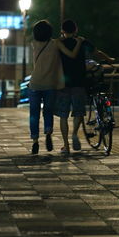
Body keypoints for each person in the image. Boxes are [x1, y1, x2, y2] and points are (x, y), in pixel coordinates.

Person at [55, 19, 114, 154]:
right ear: (76, 30)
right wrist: (109, 59)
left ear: (62, 31)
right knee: (78, 112)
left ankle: (66, 146)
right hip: (79, 81)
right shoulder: (82, 42)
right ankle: (75, 133)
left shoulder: (58, 43)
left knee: (63, 116)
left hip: (63, 82)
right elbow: (96, 52)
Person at [29, 20, 83, 154]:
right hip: (50, 85)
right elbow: (68, 52)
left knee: (34, 114)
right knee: (48, 111)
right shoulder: (56, 44)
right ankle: (48, 133)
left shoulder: (34, 44)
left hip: (35, 83)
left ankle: (35, 140)